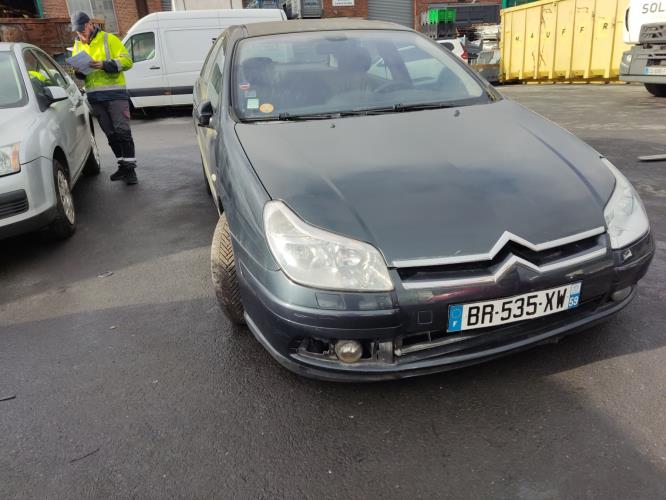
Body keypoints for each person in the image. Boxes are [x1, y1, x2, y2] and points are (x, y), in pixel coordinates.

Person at [70, 11, 138, 185]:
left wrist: (104, 64)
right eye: (78, 32)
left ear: (90, 24)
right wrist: (78, 72)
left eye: (82, 30)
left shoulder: (109, 39)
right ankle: (122, 166)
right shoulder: (77, 45)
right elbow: (79, 73)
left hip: (115, 94)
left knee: (122, 131)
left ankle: (131, 171)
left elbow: (128, 61)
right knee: (111, 134)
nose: (81, 34)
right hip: (95, 97)